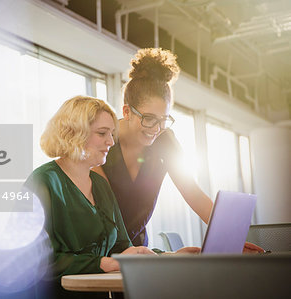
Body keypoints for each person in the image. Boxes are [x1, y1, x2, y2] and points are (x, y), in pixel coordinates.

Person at [93, 48, 263, 253]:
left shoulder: (166, 142)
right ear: (127, 111)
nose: (156, 129)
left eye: (163, 120)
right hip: (99, 248)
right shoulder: (104, 142)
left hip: (138, 250)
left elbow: (193, 192)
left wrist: (232, 238)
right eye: (148, 119)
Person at [24, 96, 167, 299]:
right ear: (73, 133)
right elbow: (34, 259)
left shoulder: (100, 185)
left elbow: (122, 248)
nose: (111, 141)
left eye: (111, 134)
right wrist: (104, 263)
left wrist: (168, 257)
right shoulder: (42, 182)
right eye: (102, 133)